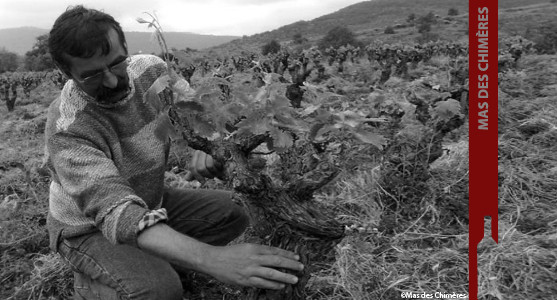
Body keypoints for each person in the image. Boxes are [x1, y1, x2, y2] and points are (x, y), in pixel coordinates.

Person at [44, 5, 303, 300]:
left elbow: (199, 115)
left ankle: (149, 256)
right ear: (66, 73)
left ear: (126, 49)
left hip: (150, 200)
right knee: (161, 291)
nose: (112, 81)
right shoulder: (67, 126)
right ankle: (93, 284)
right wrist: (211, 259)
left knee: (235, 211)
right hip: (88, 228)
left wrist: (212, 144)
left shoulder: (152, 72)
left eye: (117, 64)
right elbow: (114, 209)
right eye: (91, 76)